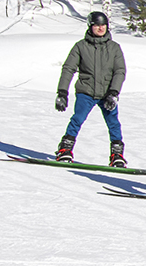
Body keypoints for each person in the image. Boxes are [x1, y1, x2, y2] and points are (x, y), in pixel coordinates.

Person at [54, 11, 127, 167]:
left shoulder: (114, 48)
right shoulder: (81, 46)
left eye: (103, 25)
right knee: (77, 119)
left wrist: (113, 93)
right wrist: (62, 92)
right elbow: (68, 68)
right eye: (97, 25)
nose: (100, 28)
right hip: (86, 92)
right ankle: (65, 150)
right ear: (90, 26)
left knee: (113, 123)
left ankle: (117, 154)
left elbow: (120, 71)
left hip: (107, 93)